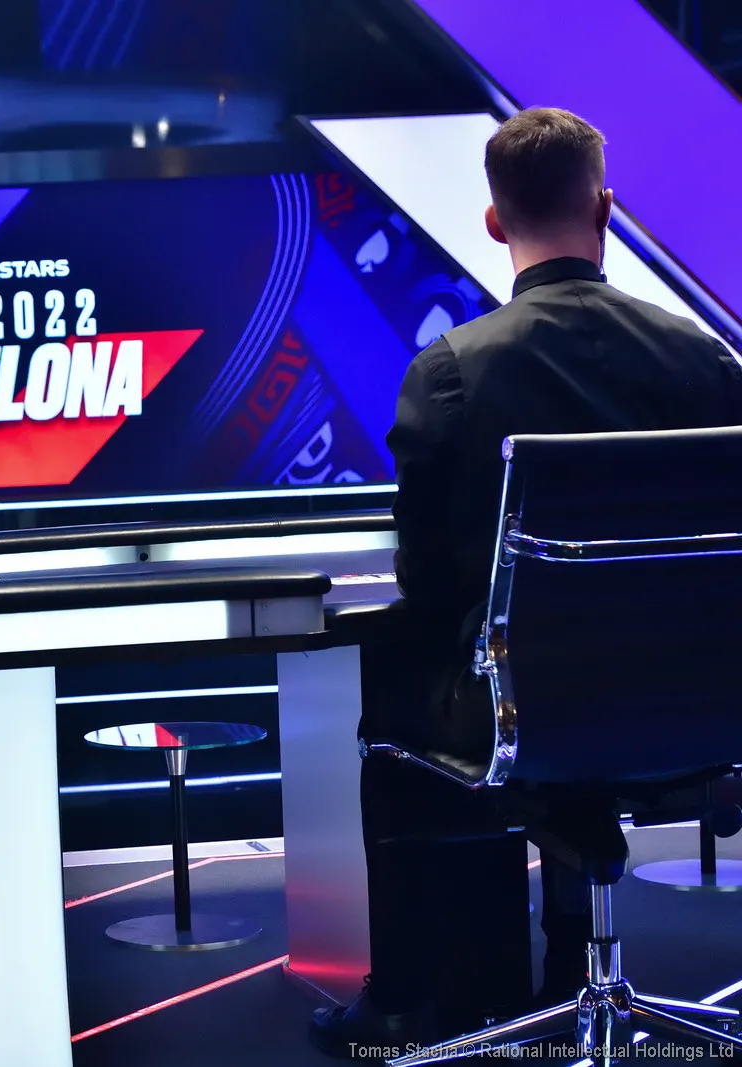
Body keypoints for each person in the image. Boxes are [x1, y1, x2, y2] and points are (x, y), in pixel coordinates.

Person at [310, 107, 742, 1057]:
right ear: (607, 208)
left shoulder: (452, 372)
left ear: (495, 221)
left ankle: (407, 1002)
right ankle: (573, 972)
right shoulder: (709, 361)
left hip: (524, 713)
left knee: (395, 697)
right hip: (702, 711)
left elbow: (425, 580)